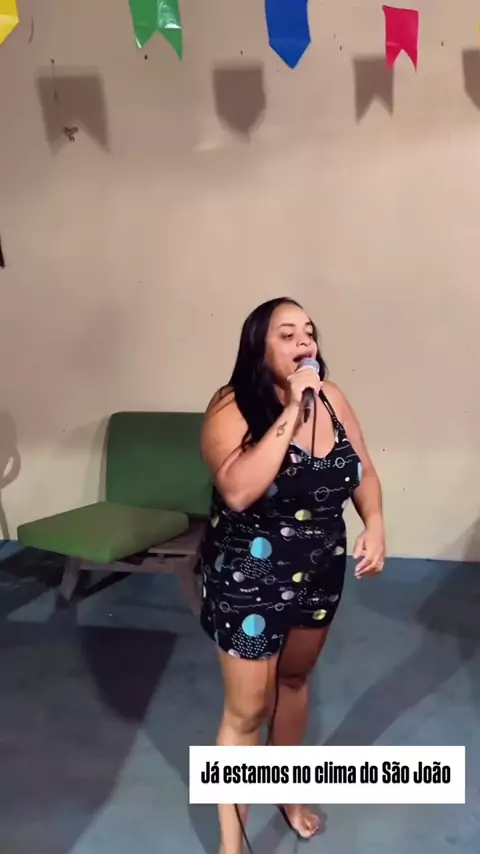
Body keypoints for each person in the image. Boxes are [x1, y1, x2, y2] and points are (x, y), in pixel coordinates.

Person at [197, 297, 386, 854]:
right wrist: (292, 409)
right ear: (259, 348)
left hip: (319, 569)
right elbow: (238, 489)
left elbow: (362, 471)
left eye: (309, 331)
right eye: (287, 334)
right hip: (249, 577)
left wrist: (375, 523)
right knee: (248, 711)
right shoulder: (232, 406)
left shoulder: (334, 399)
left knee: (295, 681)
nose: (304, 341)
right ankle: (232, 842)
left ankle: (287, 788)